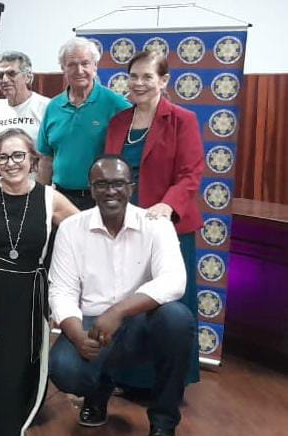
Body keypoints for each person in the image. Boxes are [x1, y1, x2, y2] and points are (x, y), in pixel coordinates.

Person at [48, 155, 195, 436]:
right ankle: (98, 392)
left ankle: (163, 423)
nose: (110, 191)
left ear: (131, 187)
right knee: (65, 370)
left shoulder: (156, 225)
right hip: (92, 326)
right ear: (91, 189)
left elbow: (174, 281)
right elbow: (61, 290)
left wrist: (119, 311)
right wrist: (76, 335)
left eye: (118, 183)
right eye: (102, 184)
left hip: (142, 323)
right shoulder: (71, 228)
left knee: (177, 320)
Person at [0, 128, 77, 436]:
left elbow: (85, 234)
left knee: (14, 381)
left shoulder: (50, 199)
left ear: (32, 159)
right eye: (3, 157)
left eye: (18, 155)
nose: (11, 163)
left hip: (27, 306)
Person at [104, 50, 205, 388]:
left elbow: (191, 173)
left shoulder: (182, 119)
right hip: (126, 226)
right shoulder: (119, 121)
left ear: (163, 80)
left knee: (167, 309)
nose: (139, 83)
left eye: (147, 76)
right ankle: (128, 377)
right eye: (133, 76)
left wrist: (167, 205)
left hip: (167, 226)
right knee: (128, 302)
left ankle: (166, 385)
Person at [37, 37, 130, 209]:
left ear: (95, 66)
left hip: (102, 199)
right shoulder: (53, 107)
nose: (79, 70)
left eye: (85, 63)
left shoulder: (116, 105)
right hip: (60, 198)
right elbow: (46, 159)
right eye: (72, 64)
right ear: (63, 68)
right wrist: (39, 199)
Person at [0, 51, 51, 181]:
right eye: (0, 75)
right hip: (1, 189)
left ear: (28, 77)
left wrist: (40, 192)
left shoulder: (47, 108)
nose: (5, 80)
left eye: (11, 73)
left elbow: (51, 158)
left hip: (35, 188)